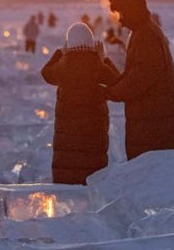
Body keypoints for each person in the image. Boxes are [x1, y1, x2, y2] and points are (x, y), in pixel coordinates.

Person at [105, 0, 174, 158]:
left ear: (131, 10)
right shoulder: (141, 32)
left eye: (121, 14)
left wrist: (111, 92)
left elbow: (140, 78)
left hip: (156, 125)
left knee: (154, 176)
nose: (119, 20)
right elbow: (133, 73)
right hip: (151, 121)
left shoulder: (147, 35)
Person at [41, 23, 121, 184]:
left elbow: (46, 72)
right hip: (93, 142)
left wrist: (59, 53)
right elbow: (117, 81)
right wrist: (103, 58)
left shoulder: (62, 67)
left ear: (68, 44)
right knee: (92, 183)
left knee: (68, 184)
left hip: (67, 144)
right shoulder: (97, 66)